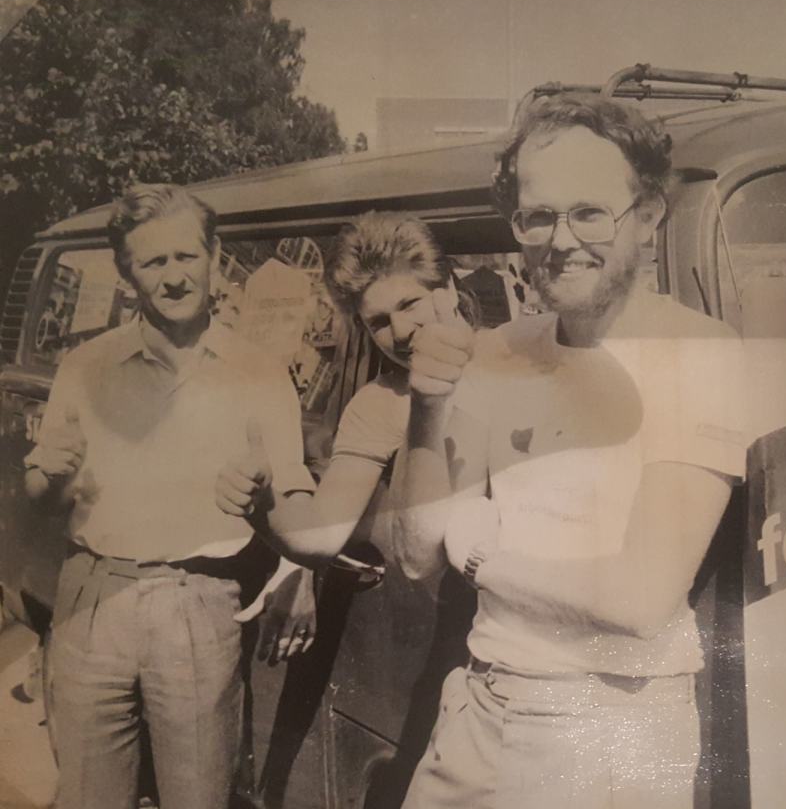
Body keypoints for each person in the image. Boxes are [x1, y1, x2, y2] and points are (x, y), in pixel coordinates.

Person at [396, 93, 747, 808]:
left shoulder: (699, 356)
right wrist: (427, 413)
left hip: (604, 730)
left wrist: (482, 556)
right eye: (537, 215)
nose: (561, 240)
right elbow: (413, 552)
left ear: (648, 217)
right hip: (476, 708)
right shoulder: (500, 352)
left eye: (590, 212)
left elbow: (641, 597)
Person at [24, 184, 318, 809]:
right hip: (92, 599)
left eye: (186, 257)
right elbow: (39, 500)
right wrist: (51, 475)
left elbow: (296, 494)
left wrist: (294, 559)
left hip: (198, 603)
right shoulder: (85, 366)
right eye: (153, 263)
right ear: (128, 276)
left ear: (213, 256)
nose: (174, 277)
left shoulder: (259, 371)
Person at [214, 210, 469, 571]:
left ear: (448, 291)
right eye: (378, 322)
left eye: (410, 304)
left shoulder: (513, 360)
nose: (399, 332)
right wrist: (263, 503)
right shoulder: (379, 403)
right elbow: (321, 535)